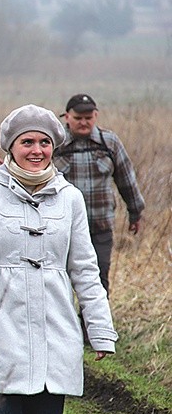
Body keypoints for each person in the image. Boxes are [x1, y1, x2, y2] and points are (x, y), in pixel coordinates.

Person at [0, 104, 118, 414]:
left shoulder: (71, 198)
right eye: (27, 142)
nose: (37, 150)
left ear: (53, 147)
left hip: (55, 340)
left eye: (44, 143)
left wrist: (101, 328)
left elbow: (85, 271)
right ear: (11, 146)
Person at [54, 94, 145, 295]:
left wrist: (135, 212)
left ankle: (93, 326)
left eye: (89, 118)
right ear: (67, 117)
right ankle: (66, 326)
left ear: (96, 116)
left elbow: (126, 180)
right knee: (61, 284)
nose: (84, 123)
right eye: (78, 118)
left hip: (100, 227)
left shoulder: (109, 143)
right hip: (62, 228)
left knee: (99, 280)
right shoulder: (54, 145)